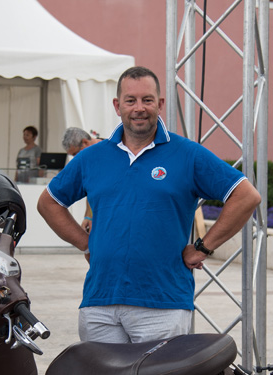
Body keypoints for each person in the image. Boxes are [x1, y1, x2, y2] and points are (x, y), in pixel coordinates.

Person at [37, 66, 261, 344]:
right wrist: (85, 243)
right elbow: (49, 202)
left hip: (163, 303)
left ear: (160, 104)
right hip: (100, 302)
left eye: (147, 100)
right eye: (130, 100)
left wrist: (203, 247)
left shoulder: (186, 154)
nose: (139, 108)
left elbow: (246, 196)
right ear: (118, 106)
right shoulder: (92, 157)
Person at [61, 127, 102, 233]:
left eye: (75, 154)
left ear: (85, 142)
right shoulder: (88, 159)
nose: (75, 158)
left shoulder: (109, 150)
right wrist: (88, 217)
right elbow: (91, 191)